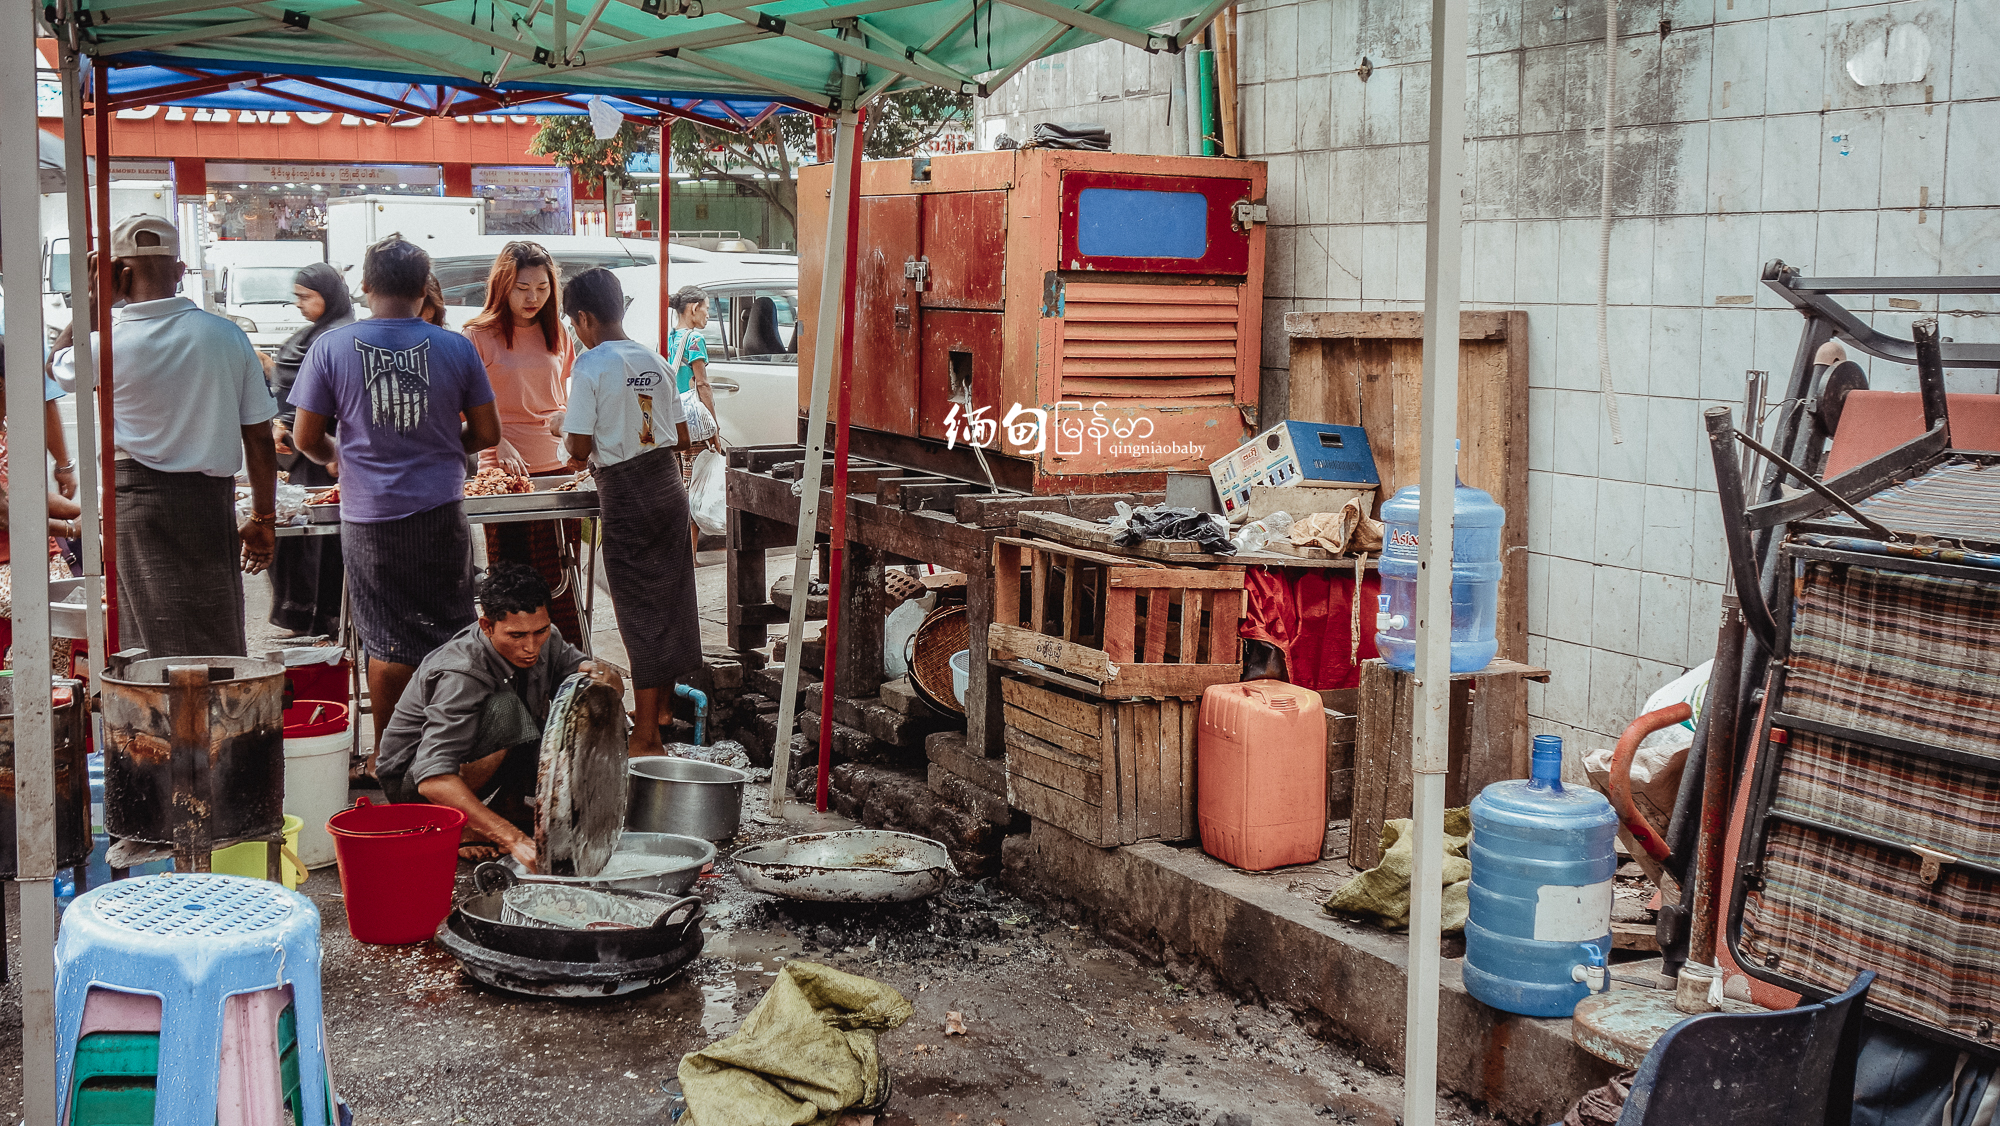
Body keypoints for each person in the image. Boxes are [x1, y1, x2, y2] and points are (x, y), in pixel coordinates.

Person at [289, 235, 501, 774]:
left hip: (370, 517)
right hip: (440, 511)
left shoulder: (332, 347)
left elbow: (305, 437)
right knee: (452, 634)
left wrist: (339, 456)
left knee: (384, 640)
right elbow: (486, 431)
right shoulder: (455, 348)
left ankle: (391, 757)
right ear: (423, 288)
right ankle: (447, 756)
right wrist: (443, 444)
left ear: (364, 287)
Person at [62, 215, 280, 657]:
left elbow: (56, 366)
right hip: (208, 503)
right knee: (215, 635)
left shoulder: (106, 344)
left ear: (117, 275)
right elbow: (259, 440)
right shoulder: (226, 336)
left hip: (135, 504)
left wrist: (90, 303)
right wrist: (263, 518)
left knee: (150, 642)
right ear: (181, 272)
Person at [374, 562, 620, 864]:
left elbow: (591, 683)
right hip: (413, 786)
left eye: (539, 631)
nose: (531, 647)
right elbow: (432, 779)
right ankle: (457, 826)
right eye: (516, 636)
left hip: (463, 764)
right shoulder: (460, 672)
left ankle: (509, 805)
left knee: (568, 713)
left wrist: (604, 677)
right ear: (487, 627)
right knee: (507, 711)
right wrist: (512, 838)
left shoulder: (546, 636)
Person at [562, 268, 699, 757]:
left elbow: (578, 446)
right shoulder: (655, 359)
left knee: (638, 606)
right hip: (668, 483)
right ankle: (659, 711)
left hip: (626, 490)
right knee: (672, 600)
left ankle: (646, 737)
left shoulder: (591, 364)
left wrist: (572, 437)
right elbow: (682, 435)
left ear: (583, 318)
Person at [461, 241, 582, 642]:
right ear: (502, 286)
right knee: (511, 585)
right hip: (504, 475)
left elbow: (566, 394)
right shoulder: (477, 335)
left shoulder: (558, 333)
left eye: (542, 288)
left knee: (562, 579)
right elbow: (461, 405)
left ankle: (564, 670)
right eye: (521, 287)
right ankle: (512, 675)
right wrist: (494, 440)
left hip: (557, 470)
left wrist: (568, 425)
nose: (533, 298)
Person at [266, 262, 354, 639]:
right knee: (297, 543)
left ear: (329, 297)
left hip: (329, 450)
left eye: (307, 297)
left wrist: (336, 449)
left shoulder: (340, 337)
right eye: (297, 297)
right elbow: (290, 392)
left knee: (326, 543)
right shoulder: (310, 336)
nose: (299, 305)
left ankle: (330, 617)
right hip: (300, 453)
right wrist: (280, 421)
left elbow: (341, 396)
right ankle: (303, 616)